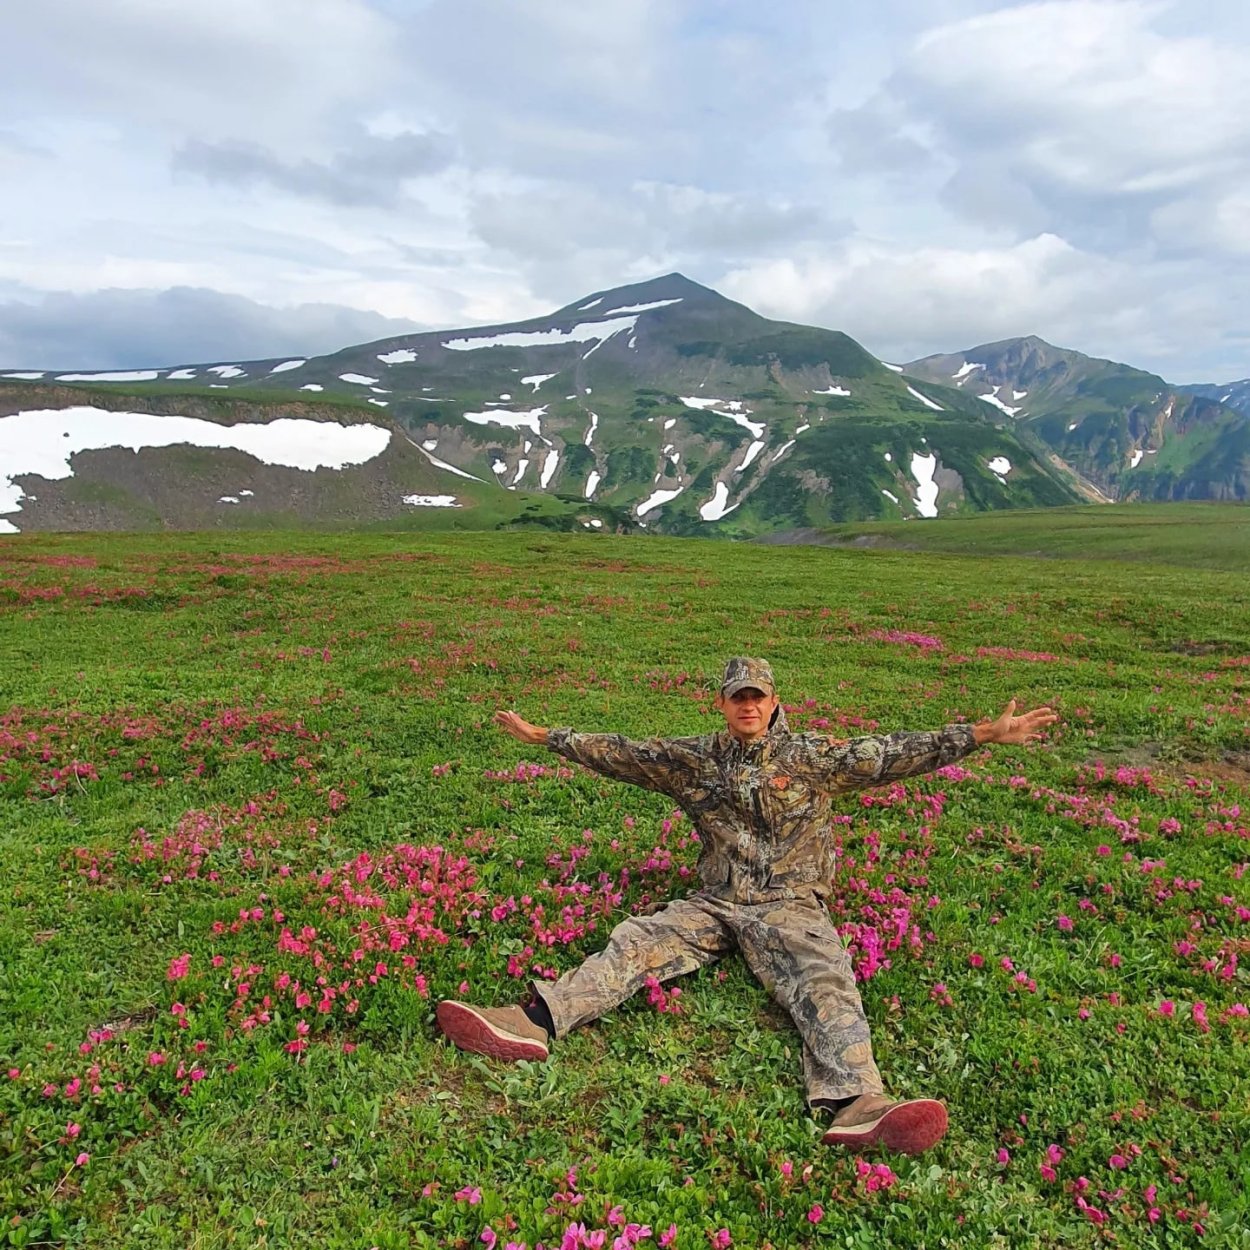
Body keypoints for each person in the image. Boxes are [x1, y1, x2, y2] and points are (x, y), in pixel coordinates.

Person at [437, 658, 1058, 1155]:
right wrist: (549, 738)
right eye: (739, 696)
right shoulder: (692, 759)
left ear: (775, 701)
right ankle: (534, 1022)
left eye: (758, 695)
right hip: (716, 900)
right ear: (723, 704)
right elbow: (622, 751)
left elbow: (894, 751)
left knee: (825, 978)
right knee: (637, 940)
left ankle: (858, 1104)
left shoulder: (814, 758)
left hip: (791, 905)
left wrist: (981, 734)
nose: (750, 706)